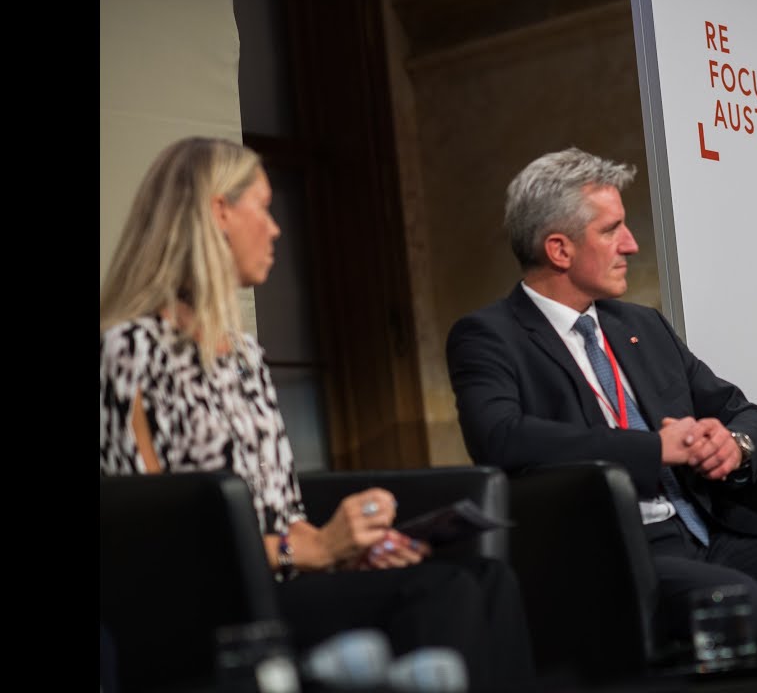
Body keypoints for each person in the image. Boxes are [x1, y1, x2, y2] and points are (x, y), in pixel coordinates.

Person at [100, 137, 535, 691]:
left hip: (282, 584)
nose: (276, 228)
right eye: (263, 205)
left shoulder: (244, 356)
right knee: (439, 593)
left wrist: (345, 549)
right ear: (219, 212)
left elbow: (287, 520)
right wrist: (312, 549)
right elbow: (148, 546)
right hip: (210, 610)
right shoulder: (128, 351)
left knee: (490, 577)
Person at [446, 147, 757, 650]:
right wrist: (655, 449)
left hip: (710, 535)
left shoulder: (640, 326)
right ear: (560, 250)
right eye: (611, 230)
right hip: (612, 555)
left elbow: (744, 412)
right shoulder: (490, 336)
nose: (630, 245)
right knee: (730, 597)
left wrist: (735, 444)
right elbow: (499, 437)